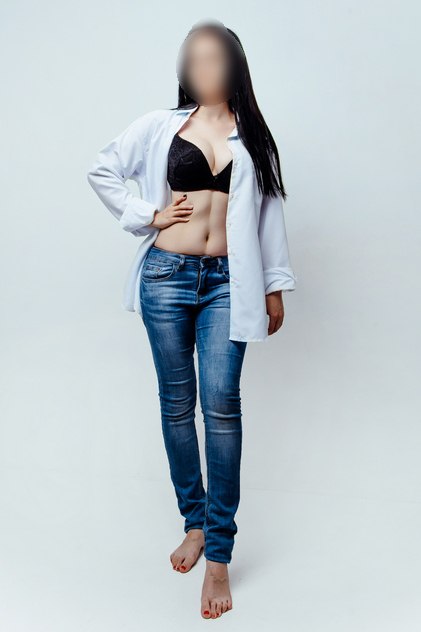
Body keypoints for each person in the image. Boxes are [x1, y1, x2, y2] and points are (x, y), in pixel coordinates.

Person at [87, 19, 297, 620]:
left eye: (215, 58)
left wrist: (274, 287)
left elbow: (269, 216)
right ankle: (196, 522)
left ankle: (219, 555)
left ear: (235, 66)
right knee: (177, 405)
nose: (204, 69)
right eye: (194, 59)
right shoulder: (161, 125)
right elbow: (102, 169)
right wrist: (147, 214)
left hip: (230, 282)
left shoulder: (254, 137)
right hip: (166, 277)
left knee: (222, 406)